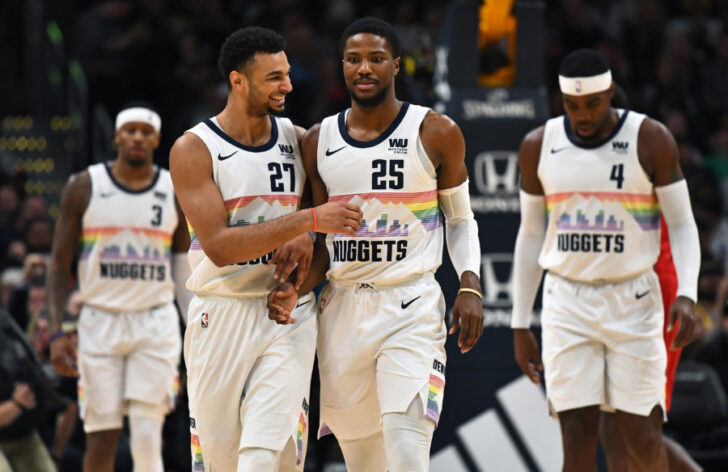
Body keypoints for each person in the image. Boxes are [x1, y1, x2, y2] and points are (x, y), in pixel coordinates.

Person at [267, 17, 484, 472]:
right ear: (342, 67)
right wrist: (295, 286)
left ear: (396, 66)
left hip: (410, 305)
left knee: (407, 452)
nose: (364, 68)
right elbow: (321, 245)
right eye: (353, 59)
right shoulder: (317, 140)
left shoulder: (435, 131)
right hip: (343, 309)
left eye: (375, 59)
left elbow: (460, 218)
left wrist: (469, 284)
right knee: (364, 463)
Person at [169, 26, 362, 471]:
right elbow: (219, 247)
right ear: (238, 81)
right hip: (221, 312)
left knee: (268, 456)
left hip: (286, 314)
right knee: (222, 461)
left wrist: (305, 256)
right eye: (274, 77)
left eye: (288, 74)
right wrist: (306, 220)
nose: (288, 86)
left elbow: (329, 238)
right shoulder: (195, 148)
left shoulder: (299, 139)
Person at [511, 48, 701, 471]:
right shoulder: (538, 145)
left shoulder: (650, 138)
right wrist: (520, 322)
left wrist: (686, 294)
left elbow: (684, 226)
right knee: (576, 438)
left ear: (611, 92)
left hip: (633, 301)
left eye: (592, 103)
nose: (582, 114)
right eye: (572, 105)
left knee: (640, 436)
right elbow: (530, 234)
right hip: (567, 301)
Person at [48, 102, 192, 472]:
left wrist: (195, 328)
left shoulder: (172, 189)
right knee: (100, 439)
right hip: (99, 321)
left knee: (147, 440)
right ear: (116, 136)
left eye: (146, 132)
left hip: (155, 323)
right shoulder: (83, 186)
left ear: (157, 140)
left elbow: (181, 270)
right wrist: (57, 331)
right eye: (131, 130)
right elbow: (59, 263)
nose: (138, 138)